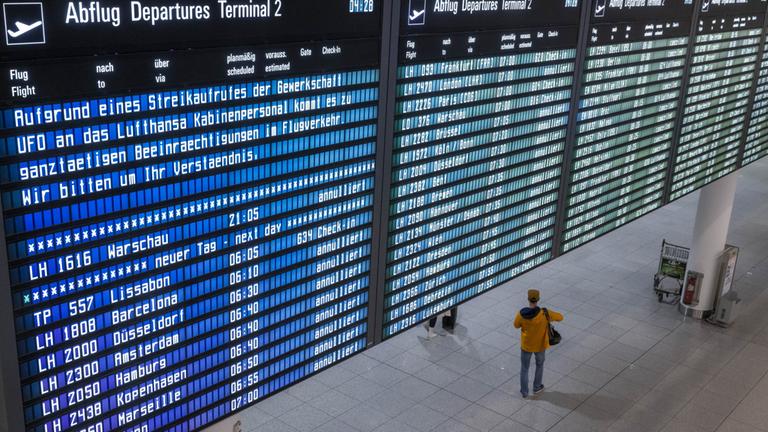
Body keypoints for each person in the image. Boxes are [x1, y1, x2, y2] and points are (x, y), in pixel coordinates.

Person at [513, 289, 563, 398]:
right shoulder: (545, 313)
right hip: (540, 346)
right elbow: (560, 317)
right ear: (538, 299)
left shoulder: (521, 314)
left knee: (524, 368)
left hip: (526, 346)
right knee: (539, 365)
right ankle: (537, 387)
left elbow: (516, 325)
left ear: (528, 299)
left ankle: (524, 392)